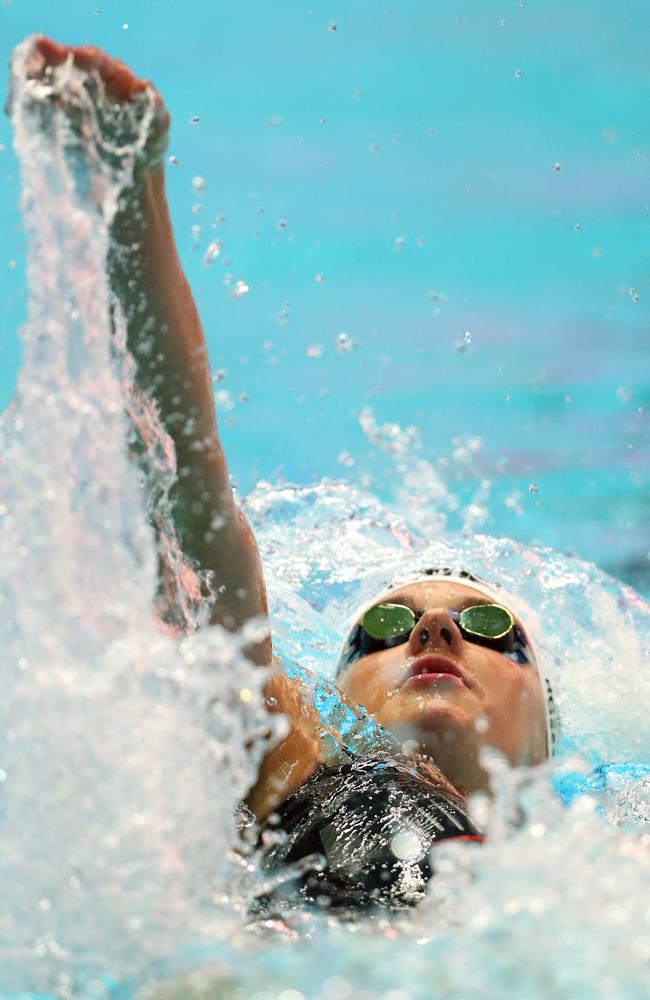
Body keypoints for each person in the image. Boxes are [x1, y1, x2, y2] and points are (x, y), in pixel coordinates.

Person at [18, 37, 555, 909]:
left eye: (492, 625)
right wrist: (133, 193)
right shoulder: (293, 771)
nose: (432, 636)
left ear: (546, 730)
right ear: (334, 698)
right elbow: (186, 486)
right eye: (381, 626)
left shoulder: (606, 863)